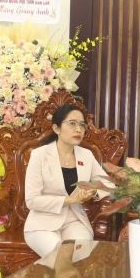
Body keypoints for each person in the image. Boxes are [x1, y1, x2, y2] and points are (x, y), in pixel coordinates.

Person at [23, 105, 109, 257]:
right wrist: (69, 200)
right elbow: (32, 200)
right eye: (72, 123)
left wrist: (94, 192)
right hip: (42, 223)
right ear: (56, 128)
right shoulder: (39, 155)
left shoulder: (86, 155)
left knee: (79, 252)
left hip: (75, 220)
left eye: (82, 125)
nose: (78, 129)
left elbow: (108, 184)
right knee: (59, 255)